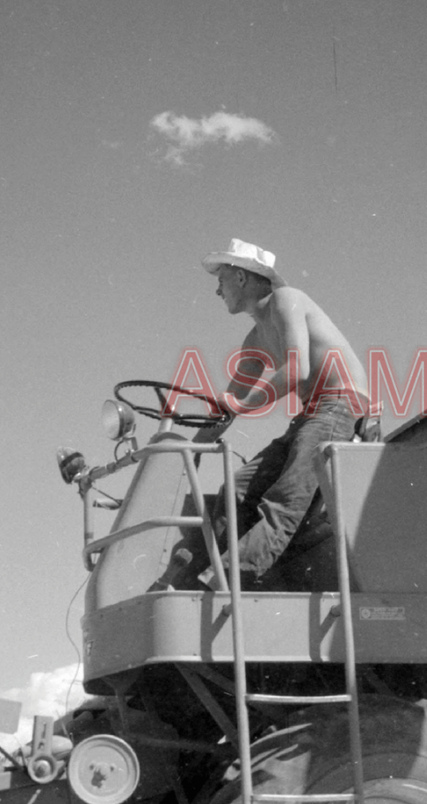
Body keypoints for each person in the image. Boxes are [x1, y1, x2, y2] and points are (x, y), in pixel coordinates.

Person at [159, 238, 372, 590]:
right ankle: (207, 573)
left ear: (242, 277)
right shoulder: (254, 340)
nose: (217, 291)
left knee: (285, 501)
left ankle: (225, 581)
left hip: (340, 405)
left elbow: (295, 370)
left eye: (221, 280)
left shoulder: (287, 301)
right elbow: (230, 402)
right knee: (236, 492)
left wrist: (241, 404)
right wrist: (188, 455)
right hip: (311, 415)